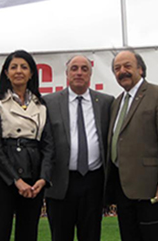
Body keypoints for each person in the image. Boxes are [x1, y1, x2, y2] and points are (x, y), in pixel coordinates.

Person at [106, 50, 158, 241]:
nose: (122, 71)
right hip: (125, 193)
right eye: (117, 68)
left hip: (153, 190)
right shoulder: (117, 103)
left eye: (127, 66)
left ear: (140, 68)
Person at [0, 50, 54, 241]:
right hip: (1, 177)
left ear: (31, 73)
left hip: (33, 178)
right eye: (13, 67)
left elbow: (48, 147)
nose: (18, 71)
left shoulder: (41, 105)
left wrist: (43, 178)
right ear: (6, 73)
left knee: (28, 234)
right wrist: (16, 180)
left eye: (24, 67)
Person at [45, 55, 114, 241]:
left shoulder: (106, 102)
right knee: (60, 236)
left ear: (91, 74)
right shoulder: (49, 102)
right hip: (61, 183)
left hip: (93, 182)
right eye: (74, 68)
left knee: (91, 236)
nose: (79, 73)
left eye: (84, 69)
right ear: (67, 74)